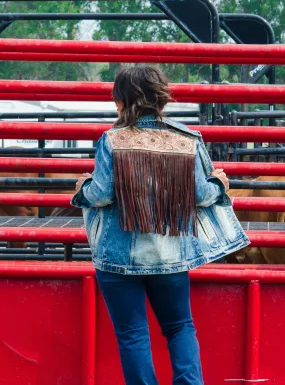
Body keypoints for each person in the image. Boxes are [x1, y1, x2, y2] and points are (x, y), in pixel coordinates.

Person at [71, 66, 250, 385]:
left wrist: (81, 187)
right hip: (170, 255)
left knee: (132, 335)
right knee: (180, 326)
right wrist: (220, 184)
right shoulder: (186, 138)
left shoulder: (112, 140)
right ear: (160, 98)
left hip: (118, 260)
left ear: (121, 102)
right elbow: (203, 194)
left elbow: (100, 194)